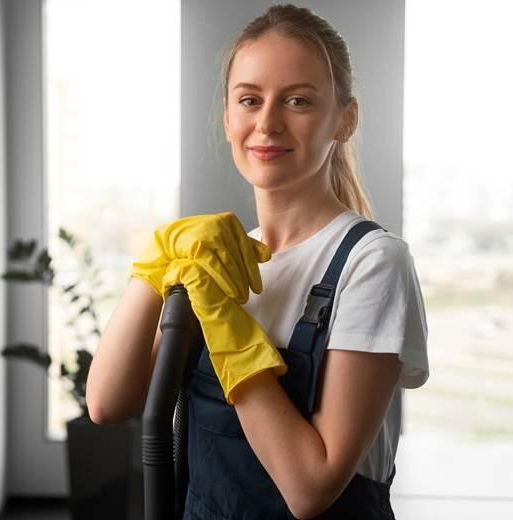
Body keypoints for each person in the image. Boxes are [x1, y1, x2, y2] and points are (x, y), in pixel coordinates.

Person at [86, 4, 429, 519]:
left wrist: (230, 332)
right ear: (228, 118)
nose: (267, 123)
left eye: (298, 101)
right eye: (250, 100)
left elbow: (310, 488)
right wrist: (156, 261)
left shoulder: (372, 263)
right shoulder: (215, 260)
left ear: (345, 119)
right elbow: (109, 403)